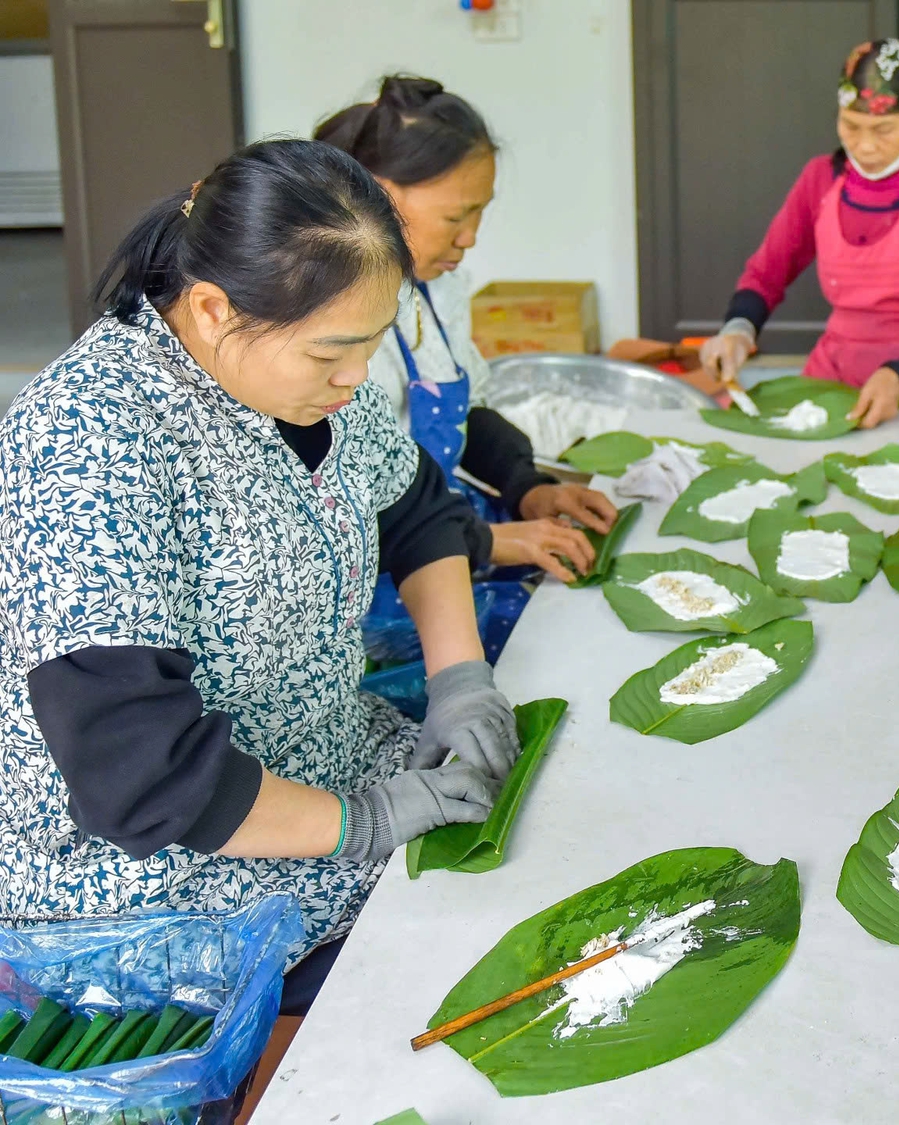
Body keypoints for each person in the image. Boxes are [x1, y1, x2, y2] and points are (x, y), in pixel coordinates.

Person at [0, 141, 520, 983]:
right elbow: (137, 771)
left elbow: (417, 510)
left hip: (333, 764)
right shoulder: (91, 437)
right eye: (328, 354)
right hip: (164, 875)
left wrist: (462, 678)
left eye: (371, 344)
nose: (355, 379)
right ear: (211, 308)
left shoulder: (308, 387)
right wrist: (361, 824)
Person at [315, 75, 614, 582]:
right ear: (377, 197)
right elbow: (344, 502)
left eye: (480, 212)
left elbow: (465, 412)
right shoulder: (329, 325)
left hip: (446, 529)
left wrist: (528, 487)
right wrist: (486, 540)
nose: (471, 237)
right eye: (457, 215)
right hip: (381, 569)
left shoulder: (433, 289)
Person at [697, 39, 899, 428]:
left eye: (884, 129)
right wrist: (737, 330)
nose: (865, 145)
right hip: (835, 378)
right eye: (851, 126)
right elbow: (766, 273)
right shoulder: (819, 180)